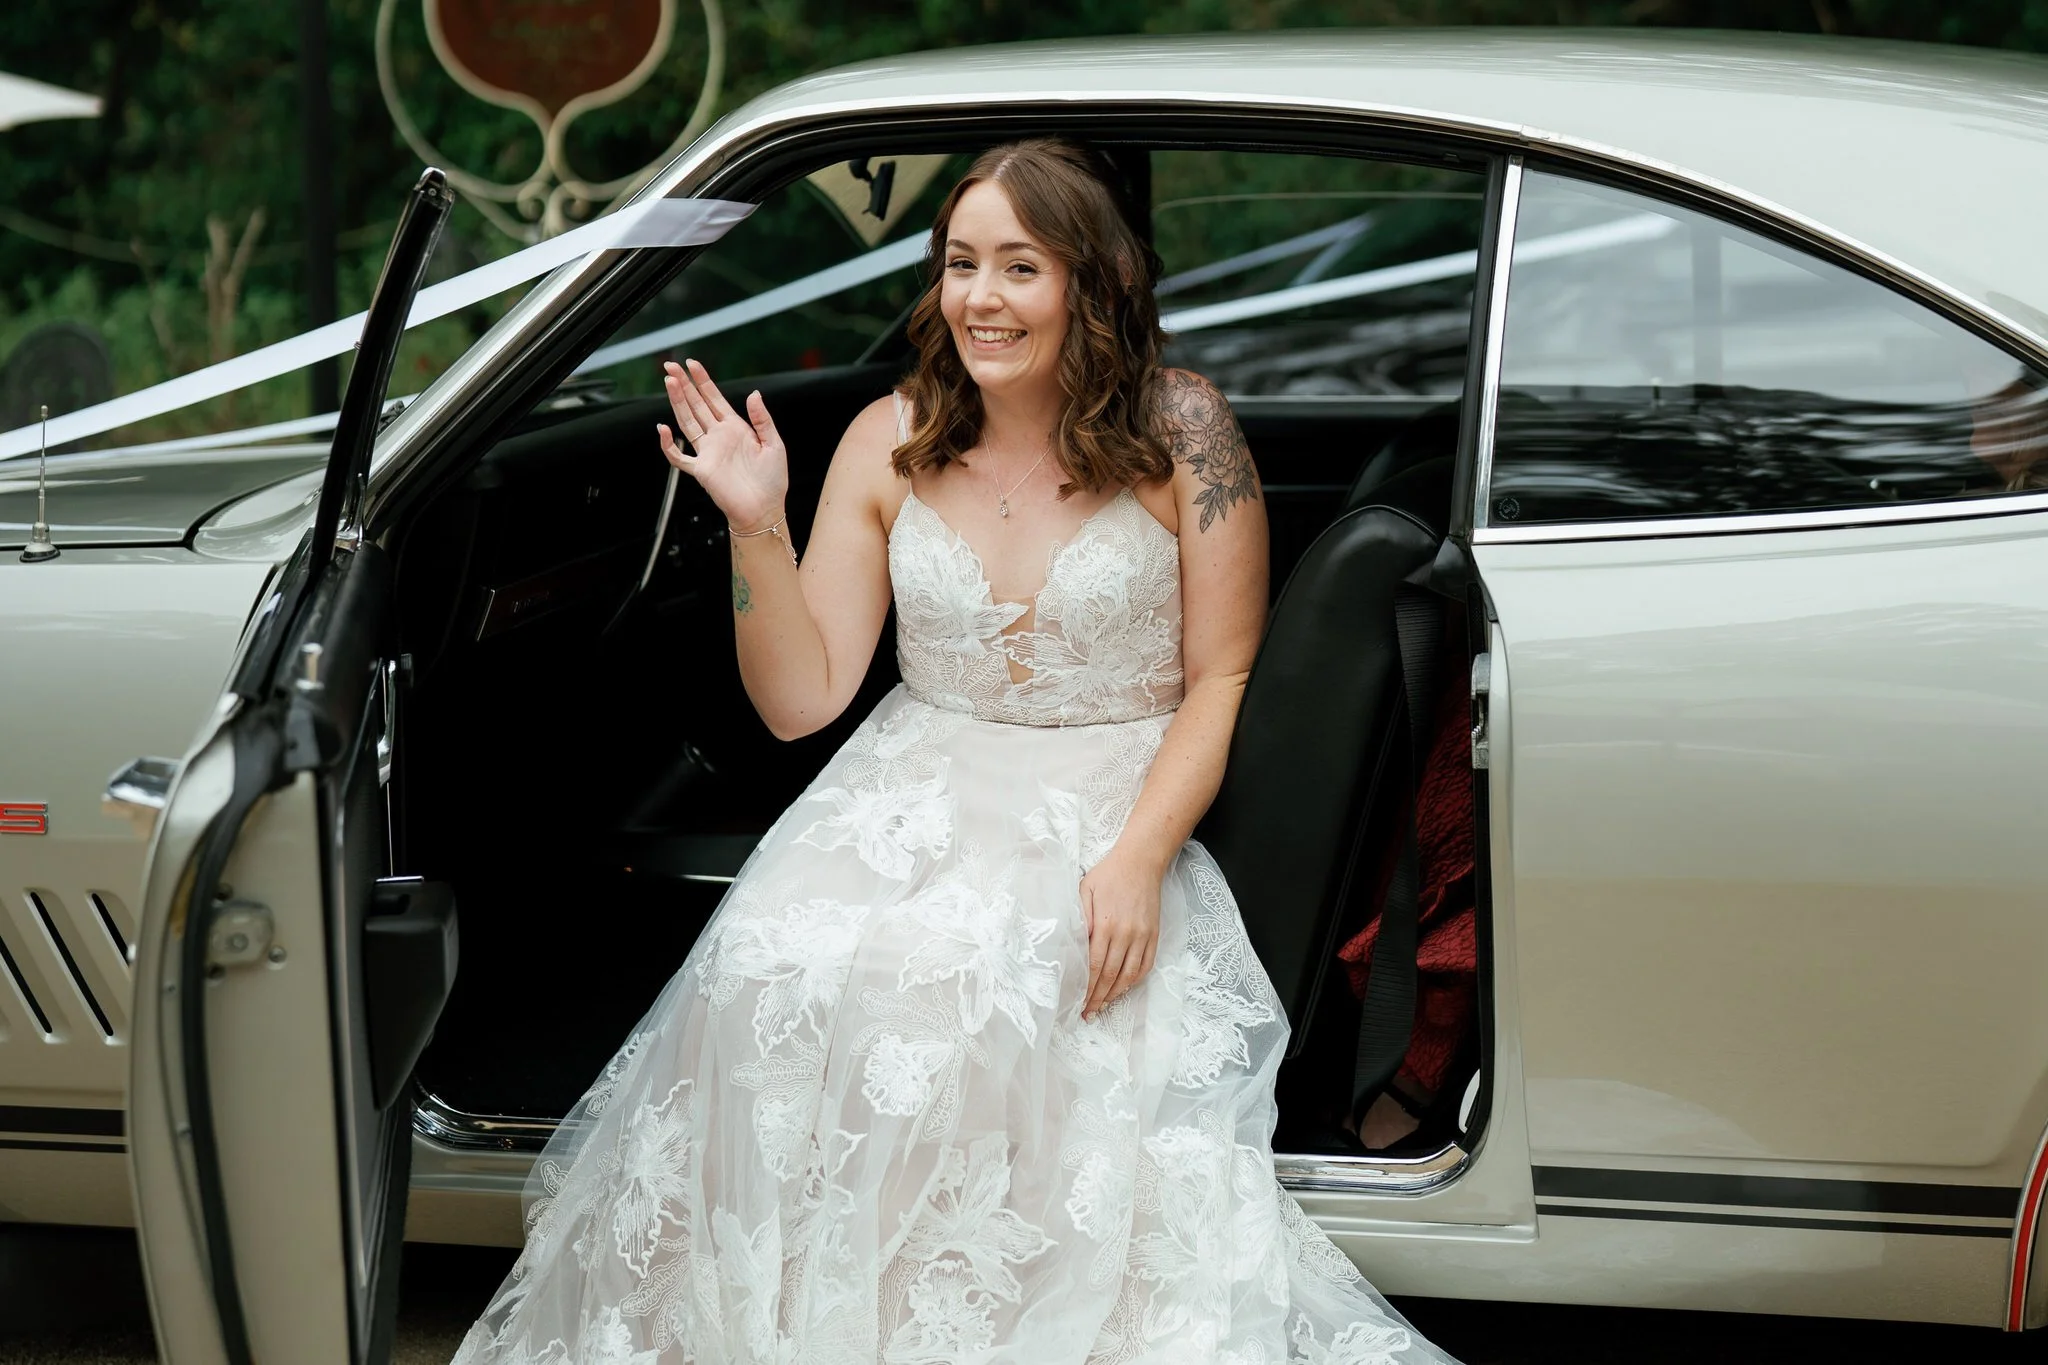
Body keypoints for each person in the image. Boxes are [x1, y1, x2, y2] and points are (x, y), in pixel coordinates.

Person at [452, 138, 1458, 1365]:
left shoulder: (1183, 429)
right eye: (959, 263)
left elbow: (1222, 677)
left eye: (1019, 266)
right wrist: (757, 526)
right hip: (905, 787)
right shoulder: (887, 436)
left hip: (1106, 791)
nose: (981, 296)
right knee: (774, 964)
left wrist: (1137, 859)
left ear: (1092, 282)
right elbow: (801, 701)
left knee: (974, 988)